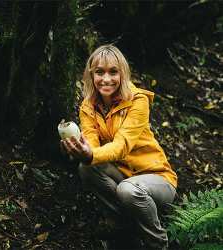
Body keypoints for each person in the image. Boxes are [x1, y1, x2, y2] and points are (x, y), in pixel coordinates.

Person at [61, 44, 177, 250]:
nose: (106, 79)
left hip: (158, 180)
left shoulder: (138, 101)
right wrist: (80, 151)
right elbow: (92, 144)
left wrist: (90, 154)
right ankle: (124, 226)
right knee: (86, 167)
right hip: (124, 177)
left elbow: (122, 145)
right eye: (99, 72)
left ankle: (157, 243)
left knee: (128, 190)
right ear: (91, 75)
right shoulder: (87, 106)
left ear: (122, 74)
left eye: (113, 72)